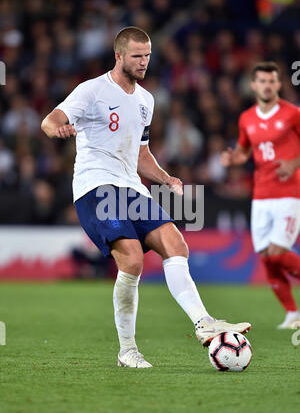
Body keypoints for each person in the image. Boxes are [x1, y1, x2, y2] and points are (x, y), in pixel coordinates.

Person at [41, 26, 251, 368]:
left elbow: (141, 155)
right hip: (96, 187)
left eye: (148, 55)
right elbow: (49, 120)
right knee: (133, 260)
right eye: (137, 56)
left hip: (131, 186)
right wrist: (58, 129)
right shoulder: (92, 91)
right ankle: (128, 350)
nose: (143, 62)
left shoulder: (145, 101)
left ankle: (204, 323)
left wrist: (166, 177)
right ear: (119, 55)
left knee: (176, 243)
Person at [221, 61, 300, 329]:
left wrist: (293, 163)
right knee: (267, 257)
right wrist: (234, 159)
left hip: (289, 192)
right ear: (254, 85)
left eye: (272, 81)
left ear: (279, 84)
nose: (267, 85)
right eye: (262, 81)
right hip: (261, 194)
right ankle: (292, 314)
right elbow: (245, 151)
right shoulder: (247, 118)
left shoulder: (292, 114)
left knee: (278, 253)